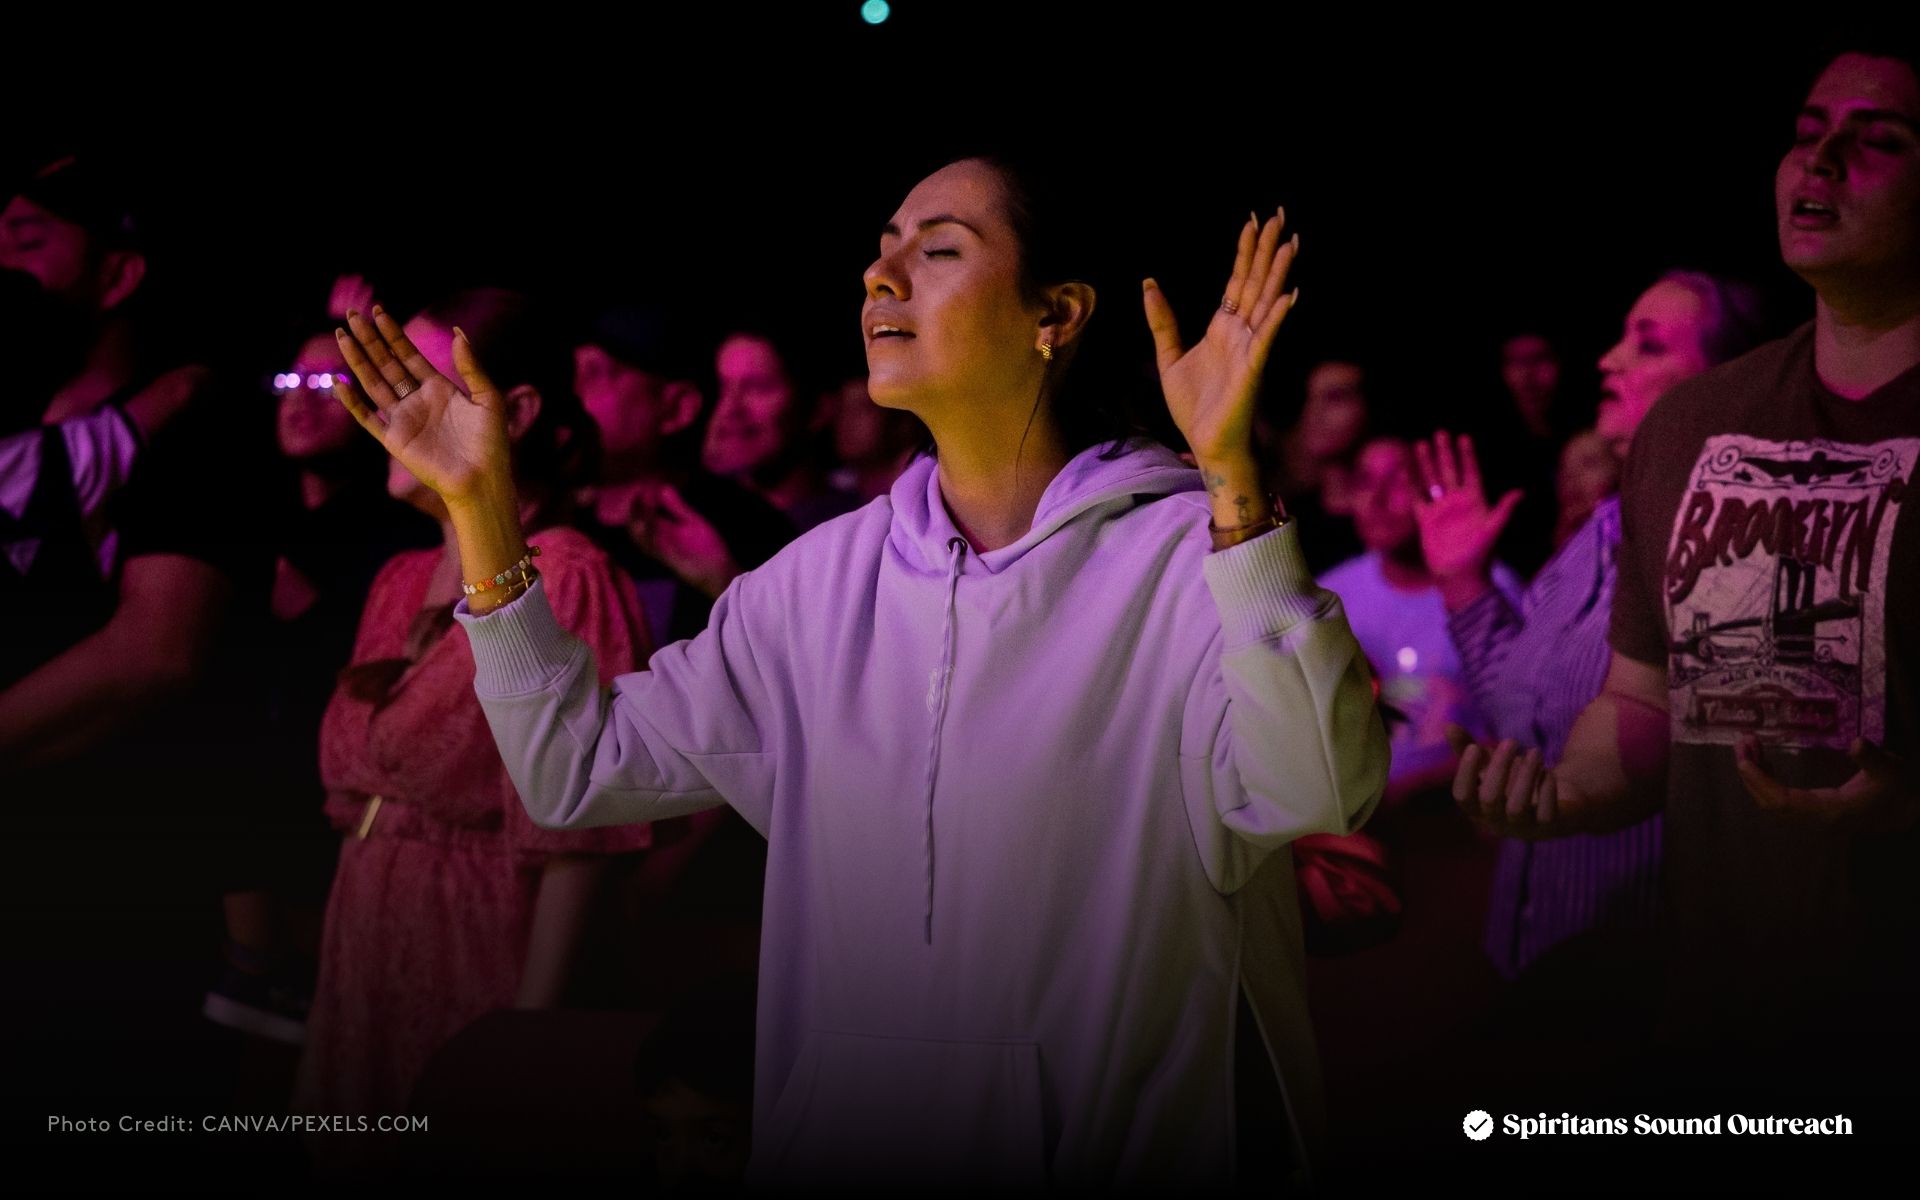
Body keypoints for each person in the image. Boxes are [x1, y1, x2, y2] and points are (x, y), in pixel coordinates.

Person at [331, 156, 1387, 1187]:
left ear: (1056, 314)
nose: (881, 276)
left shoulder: (1189, 557)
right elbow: (575, 771)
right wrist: (481, 507)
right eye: (883, 250)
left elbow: (1321, 787)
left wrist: (1232, 478)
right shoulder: (816, 584)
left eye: (939, 250)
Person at [1453, 45, 1920, 1114]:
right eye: (1808, 133)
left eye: (1880, 140)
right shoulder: (1694, 426)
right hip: (1713, 1018)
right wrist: (1569, 793)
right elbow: (1643, 700)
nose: (1824, 159)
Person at [295, 289, 654, 1136]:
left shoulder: (567, 578)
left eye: (413, 380)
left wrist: (527, 1042)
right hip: (367, 954)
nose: (390, 409)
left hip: (477, 954)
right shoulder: (396, 581)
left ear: (515, 412)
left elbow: (582, 840)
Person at [1420, 272, 1765, 984]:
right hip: (1533, 959)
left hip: (1641, 972)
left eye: (1649, 345)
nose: (1608, 359)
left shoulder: (1737, 545)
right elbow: (1521, 711)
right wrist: (1462, 582)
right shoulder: (1600, 530)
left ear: (1725, 378)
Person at [574, 306, 795, 646]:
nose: (573, 391)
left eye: (598, 373)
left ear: (677, 408)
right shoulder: (549, 524)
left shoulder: (750, 530)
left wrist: (723, 580)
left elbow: (799, 656)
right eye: (572, 372)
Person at [1323, 435, 1523, 804]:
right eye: (1365, 482)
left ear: (1433, 487)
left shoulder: (1487, 587)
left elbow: (1523, 724)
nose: (1377, 499)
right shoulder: (1329, 597)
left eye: (1397, 481)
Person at [703, 325, 863, 531]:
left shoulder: (849, 529)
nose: (728, 408)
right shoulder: (701, 521)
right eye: (722, 387)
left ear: (819, 409)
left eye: (758, 387)